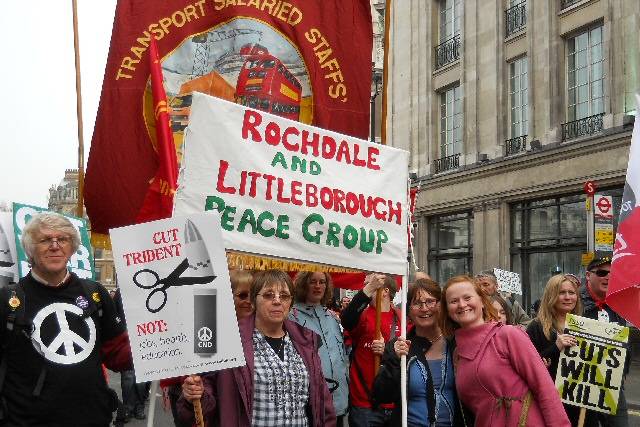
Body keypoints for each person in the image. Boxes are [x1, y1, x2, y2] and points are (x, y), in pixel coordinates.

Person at [0, 212, 132, 426]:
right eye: (44, 240)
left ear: (72, 248)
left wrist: (155, 345)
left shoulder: (95, 294)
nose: (55, 246)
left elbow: (119, 355)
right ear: (30, 250)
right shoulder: (8, 300)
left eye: (62, 239)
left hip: (92, 418)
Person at [178, 270, 336, 426]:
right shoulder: (230, 341)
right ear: (253, 301)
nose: (277, 301)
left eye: (284, 296)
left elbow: (322, 403)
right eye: (268, 295)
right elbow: (208, 399)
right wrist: (196, 394)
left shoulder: (306, 342)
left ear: (291, 302)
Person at [440, 275, 570, 426]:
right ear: (447, 310)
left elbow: (544, 387)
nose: (462, 304)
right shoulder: (457, 354)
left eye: (467, 297)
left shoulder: (508, 335)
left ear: (482, 301)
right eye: (454, 301)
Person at [372, 278, 468, 426]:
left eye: (430, 301)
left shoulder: (457, 343)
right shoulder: (399, 345)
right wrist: (395, 362)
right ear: (409, 310)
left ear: (441, 305)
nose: (424, 308)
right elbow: (381, 394)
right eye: (417, 303)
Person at [289, 271, 349, 426]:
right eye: (312, 281)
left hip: (339, 403)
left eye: (322, 282)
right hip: (310, 404)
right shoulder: (291, 317)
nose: (318, 286)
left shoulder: (333, 318)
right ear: (303, 284)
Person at [341, 273, 401, 427]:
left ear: (385, 290)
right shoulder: (361, 315)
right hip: (365, 405)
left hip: (394, 402)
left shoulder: (401, 317)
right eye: (366, 284)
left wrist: (387, 349)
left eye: (371, 284)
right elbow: (347, 319)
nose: (365, 288)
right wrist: (370, 288)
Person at [526, 274, 582, 425]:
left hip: (580, 400)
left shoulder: (584, 326)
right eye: (561, 293)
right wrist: (556, 347)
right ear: (551, 295)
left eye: (572, 293)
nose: (567, 297)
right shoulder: (536, 327)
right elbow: (529, 365)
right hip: (550, 399)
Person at [580, 257, 630, 427]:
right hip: (582, 387)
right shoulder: (574, 302)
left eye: (611, 273)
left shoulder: (618, 303)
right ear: (588, 275)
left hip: (613, 384)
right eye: (602, 273)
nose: (608, 277)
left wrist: (623, 372)